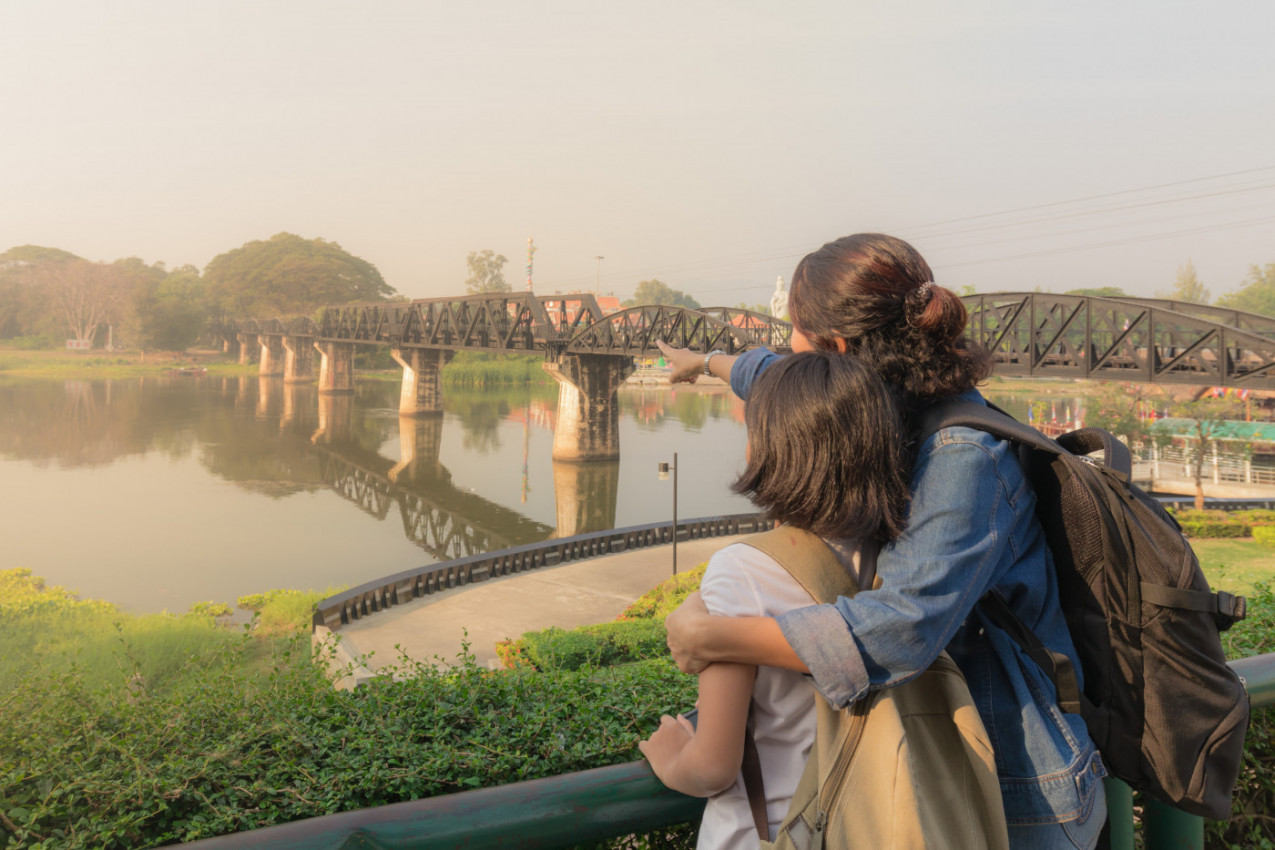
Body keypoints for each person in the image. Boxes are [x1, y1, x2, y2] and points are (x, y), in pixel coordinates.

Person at [655, 233, 1107, 850]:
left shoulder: (961, 456)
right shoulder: (884, 401)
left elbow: (903, 628)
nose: (786, 346)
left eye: (795, 329)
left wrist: (717, 636)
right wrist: (705, 361)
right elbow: (777, 375)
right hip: (931, 760)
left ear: (839, 349)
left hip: (1015, 781)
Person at [638, 350, 911, 850]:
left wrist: (669, 756)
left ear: (768, 450)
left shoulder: (742, 570)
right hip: (869, 824)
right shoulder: (897, 561)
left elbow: (713, 768)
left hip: (769, 835)